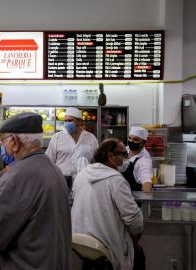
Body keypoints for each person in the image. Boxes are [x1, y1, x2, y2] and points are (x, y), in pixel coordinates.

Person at [0, 112, 71, 270]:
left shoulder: (16, 177)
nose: (2, 147)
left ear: (15, 141)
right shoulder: (54, 170)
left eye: (3, 141)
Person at [72, 138, 144, 270]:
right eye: (123, 154)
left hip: (83, 246)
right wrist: (135, 239)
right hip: (108, 248)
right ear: (111, 156)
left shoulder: (81, 175)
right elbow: (134, 220)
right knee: (139, 255)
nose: (125, 159)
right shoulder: (116, 181)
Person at [46, 107, 98, 186]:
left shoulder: (91, 138)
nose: (67, 123)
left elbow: (96, 162)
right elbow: (49, 162)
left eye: (70, 120)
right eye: (65, 121)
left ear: (79, 121)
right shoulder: (57, 137)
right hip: (61, 182)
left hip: (85, 182)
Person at [122, 126, 153, 192]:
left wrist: (146, 197)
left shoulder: (144, 161)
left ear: (144, 143)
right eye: (129, 138)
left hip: (133, 198)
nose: (131, 141)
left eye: (135, 139)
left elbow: (146, 182)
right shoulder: (125, 149)